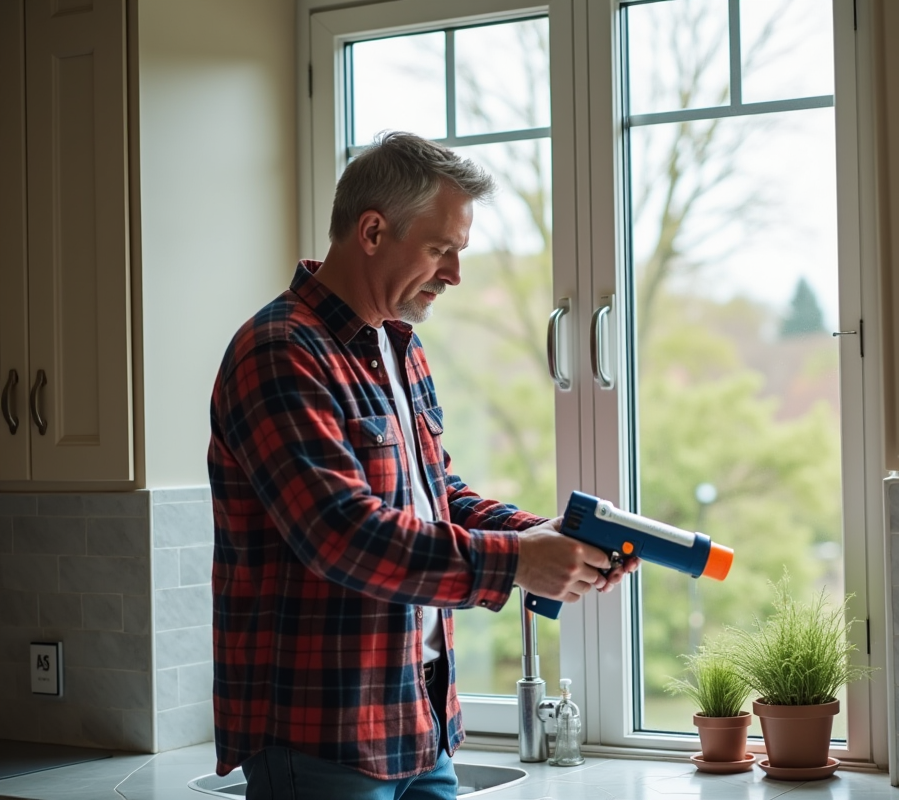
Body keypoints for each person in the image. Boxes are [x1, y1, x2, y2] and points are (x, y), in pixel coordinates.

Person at [207, 131, 638, 800]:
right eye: (441, 249)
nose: (455, 274)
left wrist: (550, 537)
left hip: (420, 728)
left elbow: (438, 496)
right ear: (373, 231)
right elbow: (341, 533)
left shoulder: (400, 348)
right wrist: (518, 560)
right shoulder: (280, 351)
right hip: (322, 741)